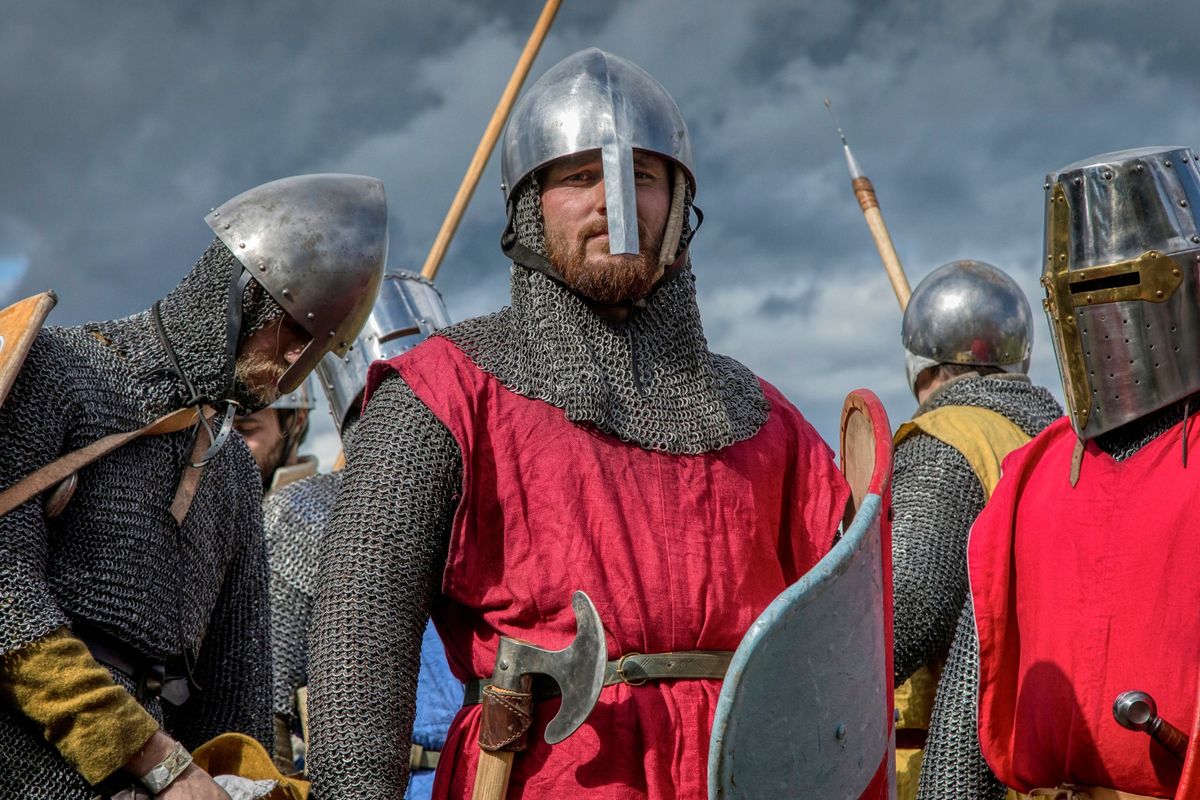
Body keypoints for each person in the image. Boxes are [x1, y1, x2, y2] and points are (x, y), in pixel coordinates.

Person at [306, 48, 849, 799]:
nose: (612, 202)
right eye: (578, 176)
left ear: (680, 206)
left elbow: (852, 631)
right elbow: (360, 639)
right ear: (529, 203)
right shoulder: (443, 395)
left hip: (743, 776)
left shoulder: (764, 422)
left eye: (642, 177)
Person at [0, 173, 387, 799]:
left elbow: (233, 695)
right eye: (291, 333)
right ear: (240, 292)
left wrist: (248, 783)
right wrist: (154, 758)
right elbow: (4, 598)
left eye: (315, 353)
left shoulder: (230, 467)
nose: (292, 368)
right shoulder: (56, 370)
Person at [928, 146, 1200, 798]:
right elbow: (975, 696)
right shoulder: (1030, 476)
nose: (1103, 317)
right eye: (1080, 291)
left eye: (1126, 284)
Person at [265, 272, 461, 800]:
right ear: (357, 409)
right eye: (394, 406)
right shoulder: (305, 514)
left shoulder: (507, 501)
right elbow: (272, 703)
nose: (412, 423)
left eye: (426, 400)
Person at [886, 260, 1060, 799]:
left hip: (954, 768)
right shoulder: (1060, 440)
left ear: (920, 364)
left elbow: (905, 616)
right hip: (1048, 764)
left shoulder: (948, 439)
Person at [234, 382, 317, 493]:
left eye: (246, 428)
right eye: (218, 433)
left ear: (297, 421)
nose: (227, 445)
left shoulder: (333, 506)